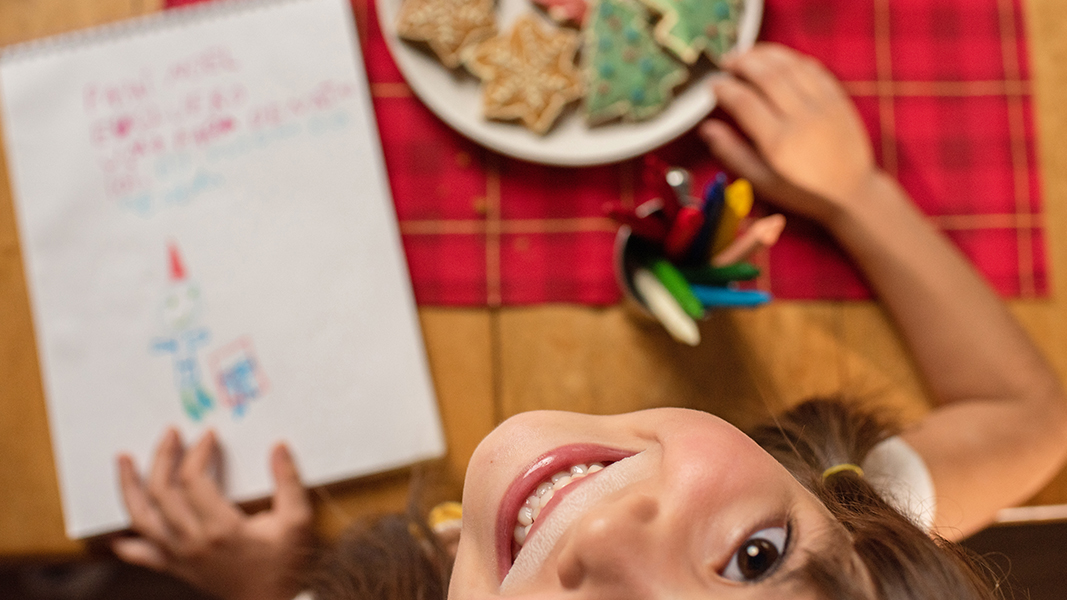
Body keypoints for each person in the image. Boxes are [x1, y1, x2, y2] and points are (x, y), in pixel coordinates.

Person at [110, 43, 1067, 600]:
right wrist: (854, 191)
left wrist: (271, 579)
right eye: (753, 559)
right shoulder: (857, 526)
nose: (609, 535)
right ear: (851, 521)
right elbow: (1028, 417)